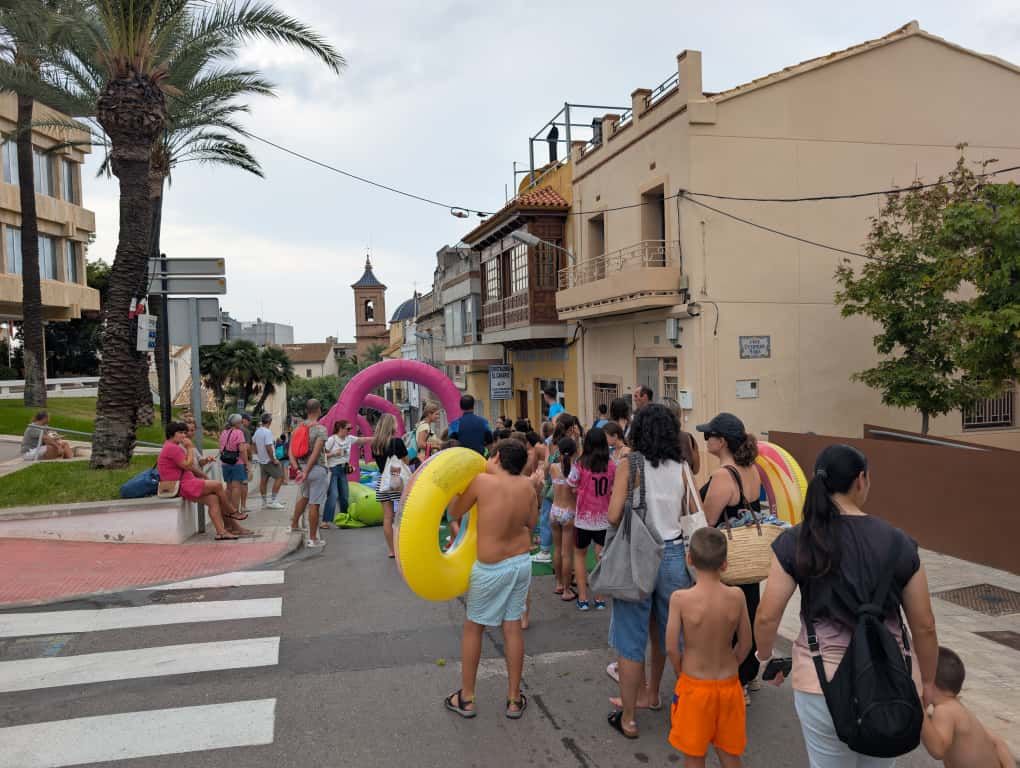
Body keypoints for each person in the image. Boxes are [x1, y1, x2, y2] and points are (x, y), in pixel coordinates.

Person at [754, 444, 939, 768]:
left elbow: (768, 615)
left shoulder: (798, 540)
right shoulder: (898, 542)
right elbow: (924, 624)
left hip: (820, 679)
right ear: (861, 480)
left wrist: (765, 656)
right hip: (888, 680)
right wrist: (928, 683)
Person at [606, 403, 693, 740]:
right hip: (675, 557)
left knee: (631, 640)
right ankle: (657, 695)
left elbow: (613, 515)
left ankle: (628, 718)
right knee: (668, 634)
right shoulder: (682, 467)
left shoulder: (631, 464)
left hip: (638, 555)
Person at [443, 439, 537, 720]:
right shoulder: (527, 486)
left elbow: (453, 513)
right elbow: (531, 524)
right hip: (520, 563)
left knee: (474, 627)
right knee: (512, 627)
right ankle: (513, 699)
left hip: (491, 566)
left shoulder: (483, 482)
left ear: (496, 457)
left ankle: (467, 697)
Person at [666, 527, 751, 766]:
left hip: (694, 685)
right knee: (729, 752)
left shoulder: (681, 600)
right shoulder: (737, 596)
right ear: (724, 563)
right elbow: (746, 642)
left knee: (694, 755)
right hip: (729, 683)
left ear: (689, 559)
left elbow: (672, 646)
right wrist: (734, 661)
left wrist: (680, 670)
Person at [697, 412, 763, 699]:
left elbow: (706, 523)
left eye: (708, 435)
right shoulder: (752, 470)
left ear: (721, 442)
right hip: (748, 558)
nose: (705, 439)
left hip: (727, 561)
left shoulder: (723, 476)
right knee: (747, 613)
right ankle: (749, 674)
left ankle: (736, 681)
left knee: (727, 622)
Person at [921, 647, 1013, 768]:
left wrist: (919, 710)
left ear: (929, 682)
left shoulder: (944, 711)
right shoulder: (960, 709)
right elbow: (997, 741)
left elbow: (938, 750)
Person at [159, 421, 241, 540]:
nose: (183, 435)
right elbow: (188, 465)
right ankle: (232, 511)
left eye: (184, 432)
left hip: (184, 483)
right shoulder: (172, 448)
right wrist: (189, 447)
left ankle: (221, 532)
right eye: (180, 433)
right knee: (218, 485)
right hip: (184, 484)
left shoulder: (170, 446)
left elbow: (189, 464)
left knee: (213, 500)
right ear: (172, 434)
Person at [569, 427, 615, 612]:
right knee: (601, 557)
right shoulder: (612, 465)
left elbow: (571, 482)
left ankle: (582, 598)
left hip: (583, 519)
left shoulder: (580, 464)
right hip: (604, 519)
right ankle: (600, 597)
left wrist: (578, 490)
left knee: (579, 556)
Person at [288, 399, 329, 548]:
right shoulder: (321, 429)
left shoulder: (298, 427)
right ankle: (313, 538)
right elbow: (316, 452)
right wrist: (307, 471)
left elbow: (291, 452)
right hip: (316, 469)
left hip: (302, 468)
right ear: (318, 410)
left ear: (307, 410)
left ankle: (293, 525)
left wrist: (298, 470)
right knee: (314, 504)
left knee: (304, 496)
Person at [371, 413, 408, 558]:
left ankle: (392, 550)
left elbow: (379, 464)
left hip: (383, 482)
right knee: (403, 515)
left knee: (387, 517)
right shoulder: (397, 442)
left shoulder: (376, 444)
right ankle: (403, 546)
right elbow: (406, 461)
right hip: (397, 481)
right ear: (391, 425)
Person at [323, 420, 371, 528]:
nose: (350, 431)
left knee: (344, 495)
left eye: (350, 429)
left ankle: (344, 518)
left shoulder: (349, 439)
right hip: (333, 469)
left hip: (343, 469)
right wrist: (333, 453)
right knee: (333, 495)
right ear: (340, 428)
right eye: (348, 429)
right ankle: (325, 521)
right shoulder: (332, 440)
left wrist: (376, 438)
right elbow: (322, 454)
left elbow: (361, 440)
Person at [548, 436, 577, 601]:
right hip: (569, 512)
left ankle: (559, 583)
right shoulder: (576, 468)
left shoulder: (553, 467)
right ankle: (567, 590)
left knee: (557, 549)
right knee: (567, 553)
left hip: (554, 511)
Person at [219, 414, 249, 519]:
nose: (241, 424)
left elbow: (221, 448)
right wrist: (246, 464)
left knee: (228, 488)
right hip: (237, 463)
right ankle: (235, 511)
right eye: (240, 422)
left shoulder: (223, 432)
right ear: (237, 423)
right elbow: (242, 450)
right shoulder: (239, 432)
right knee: (236, 487)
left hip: (225, 463)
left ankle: (227, 510)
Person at [253, 413, 285, 510]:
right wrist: (273, 459)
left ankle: (264, 503)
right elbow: (268, 447)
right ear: (270, 421)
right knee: (280, 477)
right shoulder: (267, 432)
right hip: (269, 460)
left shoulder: (257, 431)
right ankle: (273, 501)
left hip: (262, 460)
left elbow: (253, 443)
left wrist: (258, 453)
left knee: (263, 481)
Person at [663, 398, 701, 475]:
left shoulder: (649, 439)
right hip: (682, 485)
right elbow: (696, 470)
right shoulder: (688, 438)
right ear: (678, 415)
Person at [414, 402, 442, 467]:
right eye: (436, 414)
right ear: (429, 414)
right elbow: (421, 444)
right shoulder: (425, 426)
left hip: (424, 459)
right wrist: (436, 446)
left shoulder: (423, 425)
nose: (438, 417)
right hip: (425, 460)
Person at [239, 412, 254, 512]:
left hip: (231, 461)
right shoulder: (245, 431)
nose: (249, 422)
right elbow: (247, 447)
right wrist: (250, 458)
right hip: (243, 460)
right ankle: (243, 506)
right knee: (244, 483)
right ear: (243, 420)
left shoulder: (229, 430)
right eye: (248, 420)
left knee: (233, 485)